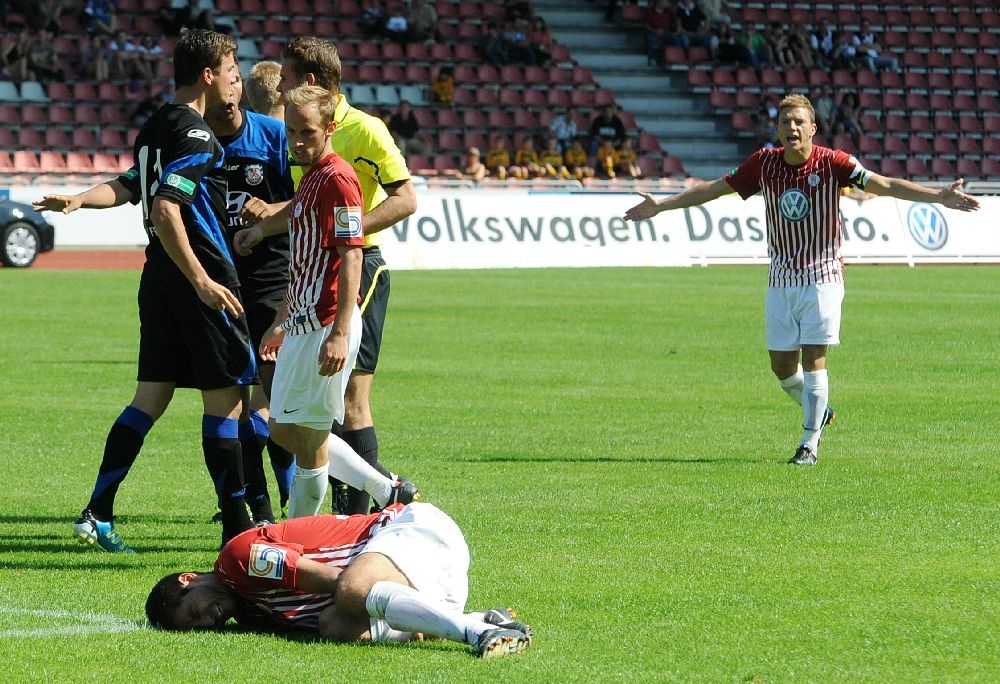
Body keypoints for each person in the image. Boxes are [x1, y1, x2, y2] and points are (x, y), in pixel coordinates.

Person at [623, 92, 980, 465]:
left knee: (814, 360)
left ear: (812, 128)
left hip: (823, 275)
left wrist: (937, 196)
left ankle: (809, 443)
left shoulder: (834, 162)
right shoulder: (763, 164)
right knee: (781, 368)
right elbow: (714, 188)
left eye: (798, 122)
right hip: (780, 278)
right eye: (785, 122)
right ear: (777, 129)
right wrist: (662, 205)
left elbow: (885, 184)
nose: (791, 128)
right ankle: (820, 410)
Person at [33, 29, 256, 550]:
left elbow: (131, 185)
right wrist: (203, 281)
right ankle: (237, 530)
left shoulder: (157, 124)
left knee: (150, 397)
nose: (236, 81)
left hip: (157, 276)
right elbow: (164, 206)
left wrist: (79, 199)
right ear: (208, 75)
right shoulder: (200, 136)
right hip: (200, 276)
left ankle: (97, 512)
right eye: (231, 71)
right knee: (227, 402)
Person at [239, 38, 419, 515]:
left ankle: (350, 516)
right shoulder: (311, 160)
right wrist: (264, 227)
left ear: (311, 83)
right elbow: (305, 208)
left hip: (350, 275)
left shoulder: (360, 136)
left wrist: (345, 233)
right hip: (309, 289)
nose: (280, 86)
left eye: (287, 77)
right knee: (287, 423)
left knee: (347, 403)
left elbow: (402, 201)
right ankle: (380, 490)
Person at [145, 502, 532, 659]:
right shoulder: (249, 612)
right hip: (429, 582)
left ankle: (478, 634)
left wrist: (354, 592)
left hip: (416, 532)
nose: (207, 622)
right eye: (198, 627)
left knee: (349, 591)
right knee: (334, 625)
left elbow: (336, 580)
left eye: (193, 613)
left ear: (187, 579)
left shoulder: (236, 560)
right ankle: (481, 618)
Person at [204, 66, 296, 525]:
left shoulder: (276, 138)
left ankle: (291, 497)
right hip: (224, 282)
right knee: (242, 403)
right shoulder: (197, 139)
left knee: (276, 400)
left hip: (270, 280)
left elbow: (306, 200)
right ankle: (260, 508)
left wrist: (268, 217)